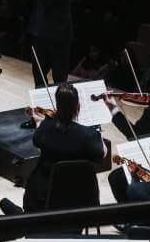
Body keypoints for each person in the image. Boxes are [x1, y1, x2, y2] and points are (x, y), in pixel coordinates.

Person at [23, 83, 105, 211]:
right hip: (77, 203)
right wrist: (97, 131)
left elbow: (37, 141)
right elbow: (101, 154)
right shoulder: (89, 135)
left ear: (57, 106)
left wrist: (39, 122)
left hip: (41, 198)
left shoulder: (45, 127)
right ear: (78, 106)